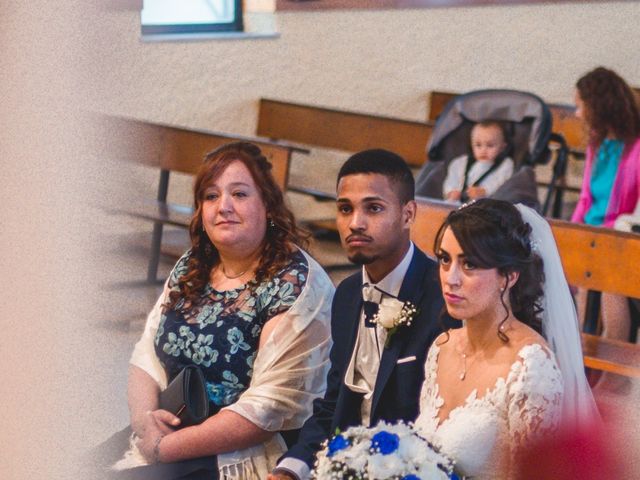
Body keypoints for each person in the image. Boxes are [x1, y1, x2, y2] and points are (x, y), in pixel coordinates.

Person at [107, 142, 335, 479]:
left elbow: (266, 409)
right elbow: (146, 353)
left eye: (240, 194)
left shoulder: (296, 283)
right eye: (211, 196)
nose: (223, 206)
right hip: (168, 424)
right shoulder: (194, 264)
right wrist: (144, 420)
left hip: (239, 449)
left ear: (268, 206)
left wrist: (163, 448)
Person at [268, 149, 456, 480]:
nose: (355, 222)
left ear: (408, 214)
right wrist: (291, 468)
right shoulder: (347, 295)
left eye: (374, 208)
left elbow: (447, 427)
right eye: (345, 209)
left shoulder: (445, 300)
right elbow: (333, 405)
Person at [414, 199, 600, 479]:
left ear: (509, 276)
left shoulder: (530, 366)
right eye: (444, 259)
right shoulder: (443, 347)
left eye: (469, 264)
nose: (450, 278)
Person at [571, 67, 640, 344]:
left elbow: (632, 213)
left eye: (580, 106)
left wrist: (600, 234)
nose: (577, 113)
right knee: (581, 274)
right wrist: (572, 234)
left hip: (620, 239)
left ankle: (614, 360)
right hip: (593, 235)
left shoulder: (636, 149)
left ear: (599, 105)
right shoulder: (597, 146)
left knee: (608, 278)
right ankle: (583, 356)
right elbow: (586, 199)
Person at [443, 121, 514, 203]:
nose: (483, 150)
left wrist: (485, 191)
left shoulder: (505, 164)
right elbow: (451, 180)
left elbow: (501, 183)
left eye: (490, 145)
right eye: (478, 145)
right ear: (471, 145)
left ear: (502, 147)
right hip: (456, 202)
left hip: (483, 204)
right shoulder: (459, 163)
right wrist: (450, 192)